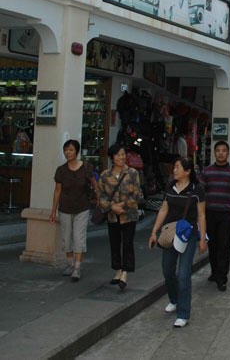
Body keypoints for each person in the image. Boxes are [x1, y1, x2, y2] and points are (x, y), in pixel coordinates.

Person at [148, 157, 207, 328]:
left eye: (178, 168)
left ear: (188, 171)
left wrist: (202, 238)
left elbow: (201, 215)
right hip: (169, 235)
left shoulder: (197, 190)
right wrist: (154, 231)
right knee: (167, 270)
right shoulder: (170, 187)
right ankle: (174, 299)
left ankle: (183, 313)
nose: (174, 170)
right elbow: (164, 209)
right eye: (174, 167)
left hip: (188, 235)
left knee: (183, 274)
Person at [199, 141, 230, 292]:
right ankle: (214, 271)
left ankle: (222, 278)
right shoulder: (206, 172)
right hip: (210, 213)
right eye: (218, 150)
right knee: (213, 245)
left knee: (224, 245)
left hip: (226, 214)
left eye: (224, 151)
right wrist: (200, 215)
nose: (221, 153)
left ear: (228, 153)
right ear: (214, 153)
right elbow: (201, 194)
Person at [98, 143, 143, 290]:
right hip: (112, 216)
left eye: (123, 154)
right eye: (118, 155)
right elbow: (101, 197)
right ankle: (117, 271)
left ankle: (125, 273)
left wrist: (121, 206)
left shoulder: (133, 173)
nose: (121, 157)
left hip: (129, 215)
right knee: (114, 243)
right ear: (112, 157)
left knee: (128, 243)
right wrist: (112, 207)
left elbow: (137, 194)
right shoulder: (105, 175)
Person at [49, 139, 96, 281]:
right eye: (66, 150)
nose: (68, 153)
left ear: (77, 151)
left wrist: (100, 200)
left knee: (78, 237)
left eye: (71, 150)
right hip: (65, 208)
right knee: (66, 237)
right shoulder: (61, 170)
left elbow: (95, 184)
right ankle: (69, 264)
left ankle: (77, 267)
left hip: (82, 207)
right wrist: (53, 210)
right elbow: (57, 191)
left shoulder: (86, 167)